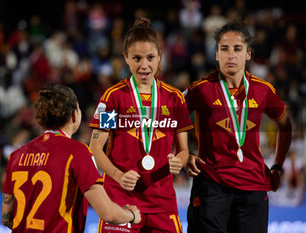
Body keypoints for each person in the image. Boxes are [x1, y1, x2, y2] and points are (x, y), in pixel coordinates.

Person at [184, 21, 292, 233]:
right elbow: (166, 120)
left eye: (237, 49)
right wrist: (184, 154)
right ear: (216, 54)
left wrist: (278, 165)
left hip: (253, 188)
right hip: (211, 185)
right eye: (224, 49)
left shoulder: (263, 90)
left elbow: (285, 125)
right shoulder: (201, 90)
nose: (230, 55)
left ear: (248, 54)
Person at [89, 17, 193, 233]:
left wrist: (179, 161)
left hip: (162, 202)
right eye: (136, 58)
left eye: (150, 58)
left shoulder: (175, 98)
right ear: (126, 57)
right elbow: (96, 149)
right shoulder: (112, 98)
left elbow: (183, 151)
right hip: (120, 200)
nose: (144, 65)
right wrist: (119, 176)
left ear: (159, 57)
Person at [2, 85, 141, 233]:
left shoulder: (16, 156)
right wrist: (131, 215)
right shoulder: (78, 153)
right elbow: (107, 213)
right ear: (75, 115)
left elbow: (7, 218)